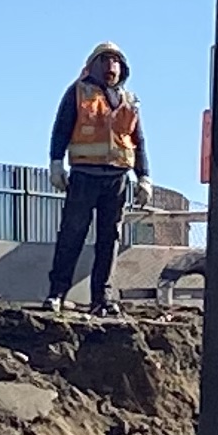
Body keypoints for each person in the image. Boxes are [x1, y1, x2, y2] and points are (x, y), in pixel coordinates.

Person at [44, 43, 144, 314]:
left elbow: (138, 142)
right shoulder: (78, 93)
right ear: (95, 65)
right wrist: (56, 164)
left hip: (117, 178)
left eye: (116, 61)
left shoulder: (129, 100)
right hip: (85, 175)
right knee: (72, 234)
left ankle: (102, 298)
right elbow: (61, 130)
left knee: (109, 238)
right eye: (106, 60)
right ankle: (57, 293)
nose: (111, 66)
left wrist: (143, 177)